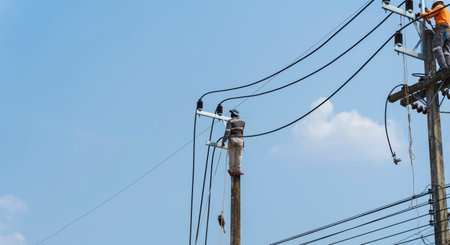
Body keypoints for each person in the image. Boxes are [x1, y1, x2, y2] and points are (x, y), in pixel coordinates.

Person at [417, 0, 450, 71]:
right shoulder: (445, 9)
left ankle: (443, 66)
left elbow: (430, 15)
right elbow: (434, 13)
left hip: (441, 30)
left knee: (437, 47)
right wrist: (427, 10)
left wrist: (420, 14)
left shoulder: (439, 6)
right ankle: (448, 65)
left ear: (435, 4)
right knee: (445, 50)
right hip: (447, 31)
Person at [222, 109, 245, 176]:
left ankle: (231, 170)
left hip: (232, 139)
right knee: (239, 155)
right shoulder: (243, 121)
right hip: (240, 139)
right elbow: (242, 131)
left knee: (232, 155)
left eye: (231, 113)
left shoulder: (230, 121)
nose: (230, 114)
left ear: (233, 114)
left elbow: (227, 131)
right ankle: (238, 170)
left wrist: (224, 140)